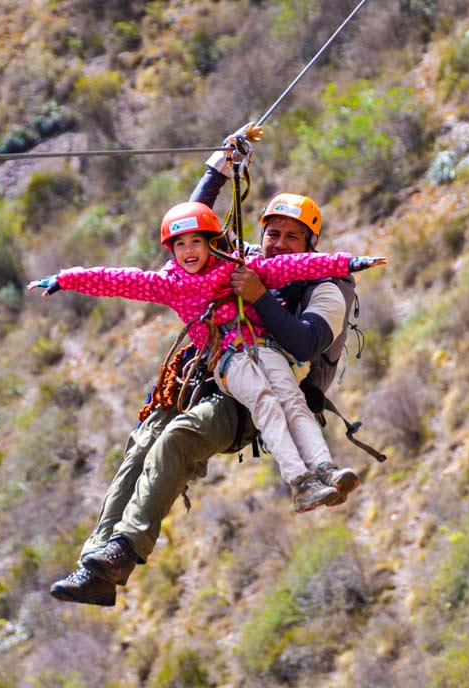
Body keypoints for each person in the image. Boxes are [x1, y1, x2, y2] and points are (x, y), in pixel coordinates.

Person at [42, 128, 379, 607]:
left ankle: (124, 549)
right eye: (273, 233)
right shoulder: (242, 259)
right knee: (142, 445)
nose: (280, 244)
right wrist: (220, 164)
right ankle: (95, 565)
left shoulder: (327, 284)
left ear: (311, 243)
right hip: (215, 375)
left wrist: (258, 297)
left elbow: (305, 344)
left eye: (293, 237)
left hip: (262, 398)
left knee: (179, 437)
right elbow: (189, 233)